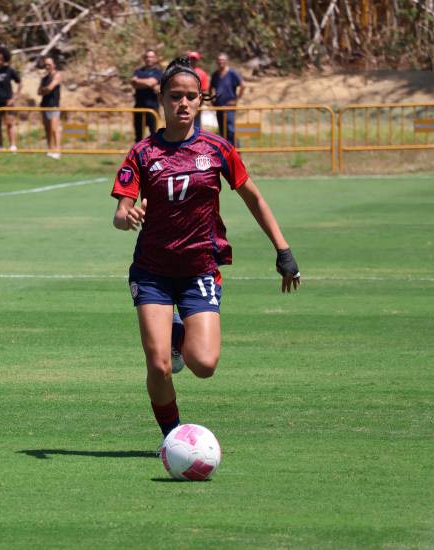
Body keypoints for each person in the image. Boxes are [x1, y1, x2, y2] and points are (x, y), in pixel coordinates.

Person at [110, 56, 300, 446]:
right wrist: (128, 216)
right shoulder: (143, 153)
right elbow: (120, 213)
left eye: (191, 97)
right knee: (159, 364)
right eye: (175, 96)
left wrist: (283, 250)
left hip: (200, 268)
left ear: (201, 101)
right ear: (161, 99)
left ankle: (177, 335)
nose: (183, 103)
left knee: (204, 364)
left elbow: (254, 198)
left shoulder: (217, 149)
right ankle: (173, 438)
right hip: (152, 271)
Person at [210, 53, 245, 145]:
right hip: (219, 106)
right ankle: (225, 152)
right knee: (222, 131)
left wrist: (236, 99)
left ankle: (236, 151)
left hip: (229, 106)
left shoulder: (232, 73)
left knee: (230, 130)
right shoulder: (215, 75)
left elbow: (243, 85)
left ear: (226, 61)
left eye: (223, 60)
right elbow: (211, 87)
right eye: (219, 60)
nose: (220, 62)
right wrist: (212, 100)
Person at [130, 49, 163, 142]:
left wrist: (139, 81)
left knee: (154, 135)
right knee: (138, 135)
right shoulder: (138, 71)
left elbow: (151, 82)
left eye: (151, 57)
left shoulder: (158, 72)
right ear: (144, 58)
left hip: (152, 107)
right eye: (147, 57)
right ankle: (138, 155)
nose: (149, 59)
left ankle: (154, 155)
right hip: (139, 106)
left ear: (155, 59)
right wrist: (148, 83)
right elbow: (133, 82)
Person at [38, 56, 62, 159]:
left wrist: (45, 89)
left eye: (49, 64)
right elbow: (39, 92)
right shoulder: (44, 78)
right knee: (47, 129)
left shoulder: (57, 75)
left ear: (54, 65)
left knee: (54, 129)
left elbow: (50, 88)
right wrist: (45, 89)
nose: (47, 66)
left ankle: (57, 150)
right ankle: (50, 149)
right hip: (44, 105)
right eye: (46, 65)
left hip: (54, 106)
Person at [187, 51, 210, 129]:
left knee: (196, 124)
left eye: (194, 59)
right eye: (191, 59)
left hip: (197, 103)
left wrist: (201, 102)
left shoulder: (202, 73)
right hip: (184, 101)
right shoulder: (183, 71)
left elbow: (204, 90)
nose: (192, 61)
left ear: (197, 61)